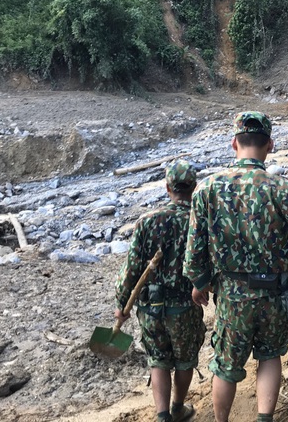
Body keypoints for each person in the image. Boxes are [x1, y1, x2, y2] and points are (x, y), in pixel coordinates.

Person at [184, 111, 288, 422]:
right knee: (270, 356)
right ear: (270, 145)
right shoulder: (281, 189)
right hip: (273, 294)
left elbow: (194, 250)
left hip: (232, 297)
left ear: (234, 143)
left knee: (226, 366)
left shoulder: (207, 190)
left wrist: (199, 282)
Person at [115, 160, 206, 422]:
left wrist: (122, 304)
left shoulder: (147, 221)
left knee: (158, 360)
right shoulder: (199, 220)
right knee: (185, 360)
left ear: (167, 187)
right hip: (186, 307)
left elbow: (131, 269)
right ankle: (178, 407)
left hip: (150, 308)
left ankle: (163, 416)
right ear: (193, 187)